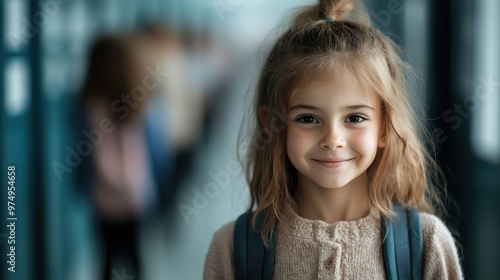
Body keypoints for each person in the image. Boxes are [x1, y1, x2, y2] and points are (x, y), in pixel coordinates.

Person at [203, 0, 463, 279]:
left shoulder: (426, 244)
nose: (332, 139)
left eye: (355, 118)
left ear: (386, 126)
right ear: (272, 124)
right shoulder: (232, 248)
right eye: (308, 119)